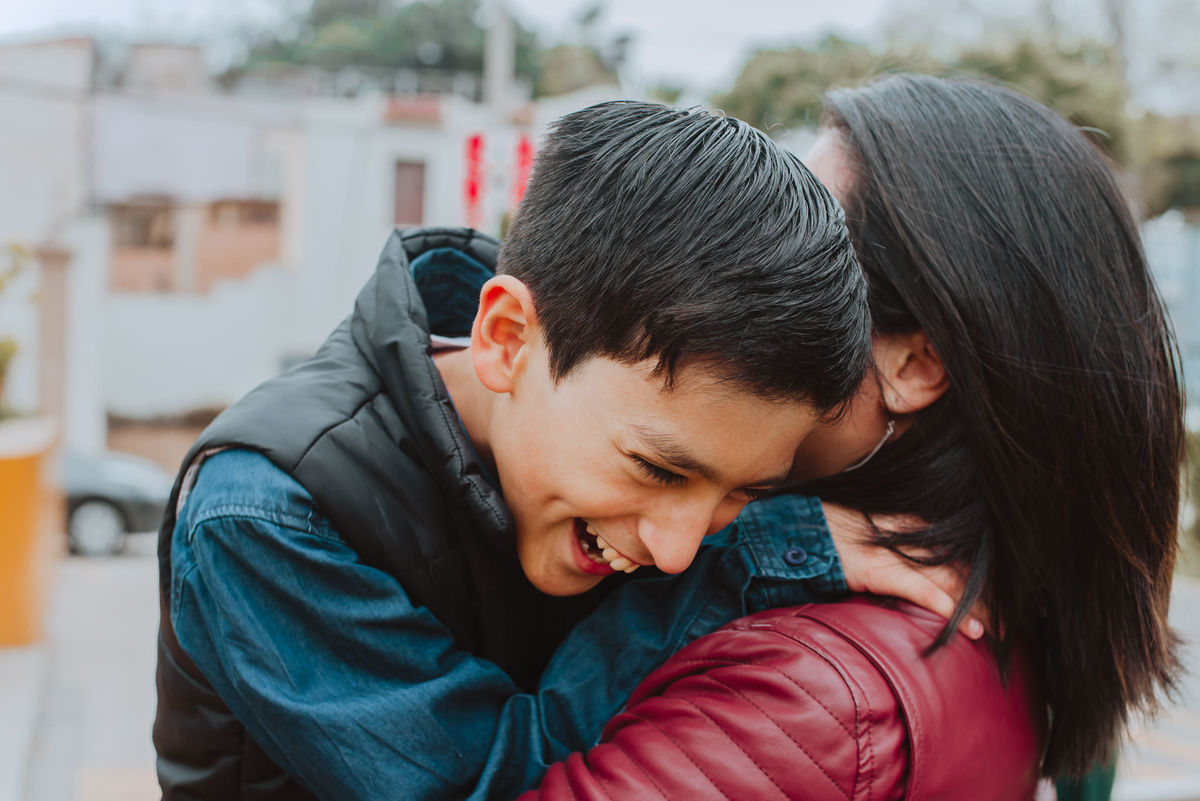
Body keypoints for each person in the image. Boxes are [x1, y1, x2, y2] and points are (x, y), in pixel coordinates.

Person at [155, 100, 964, 800]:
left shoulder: (599, 419)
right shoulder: (269, 515)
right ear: (505, 339)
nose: (680, 549)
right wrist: (763, 553)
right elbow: (496, 783)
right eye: (657, 468)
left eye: (742, 493)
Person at [516, 74, 1184, 798]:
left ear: (914, 362)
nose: (754, 258)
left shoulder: (816, 704)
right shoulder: (1001, 614)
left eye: (818, 254)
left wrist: (770, 547)